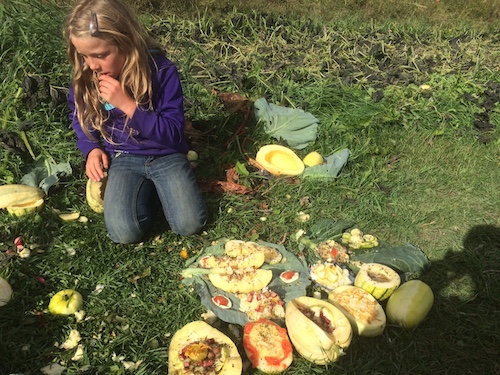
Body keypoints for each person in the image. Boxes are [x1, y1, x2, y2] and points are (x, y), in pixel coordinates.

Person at [65, 0, 207, 244]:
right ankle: (151, 192)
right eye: (84, 55)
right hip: (123, 156)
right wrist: (92, 148)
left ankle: (160, 188)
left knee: (189, 224)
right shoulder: (88, 76)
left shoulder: (161, 71)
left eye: (100, 55)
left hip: (166, 154)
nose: (92, 65)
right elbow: (80, 117)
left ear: (126, 42)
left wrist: (128, 106)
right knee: (123, 233)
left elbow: (173, 133)